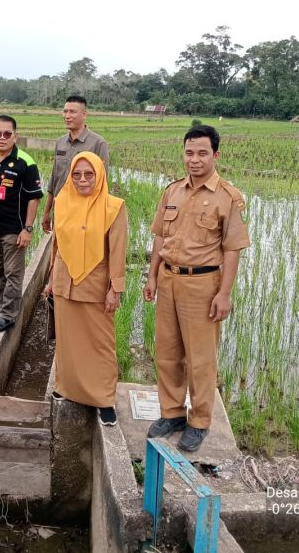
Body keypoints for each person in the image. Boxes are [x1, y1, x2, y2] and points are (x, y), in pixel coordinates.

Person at [142, 125, 250, 452]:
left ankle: (200, 420)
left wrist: (224, 293)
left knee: (200, 358)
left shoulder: (228, 197)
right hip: (169, 280)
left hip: (203, 283)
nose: (195, 159)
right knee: (168, 352)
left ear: (215, 155)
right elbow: (160, 235)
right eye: (189, 152)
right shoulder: (172, 192)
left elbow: (232, 248)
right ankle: (172, 412)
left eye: (202, 153)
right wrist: (152, 276)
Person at [45, 152, 127, 426]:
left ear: (99, 175)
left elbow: (117, 251)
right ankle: (67, 388)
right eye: (77, 174)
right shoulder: (61, 202)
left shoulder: (113, 207)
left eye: (89, 174)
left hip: (95, 285)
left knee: (101, 343)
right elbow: (56, 246)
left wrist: (115, 289)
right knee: (67, 341)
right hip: (64, 283)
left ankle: (104, 399)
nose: (82, 180)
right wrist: (50, 280)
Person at [0, 115, 43, 333]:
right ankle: (2, 309)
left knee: (13, 273)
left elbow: (34, 197)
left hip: (15, 229)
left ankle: (9, 315)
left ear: (15, 135)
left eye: (7, 134)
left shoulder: (25, 162)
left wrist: (28, 228)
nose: (2, 138)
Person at [41, 95, 110, 233]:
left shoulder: (98, 143)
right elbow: (54, 180)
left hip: (84, 215)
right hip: (60, 211)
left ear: (84, 114)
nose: (67, 116)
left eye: (72, 112)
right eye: (65, 111)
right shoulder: (60, 142)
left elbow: (101, 183)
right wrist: (47, 212)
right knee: (59, 252)